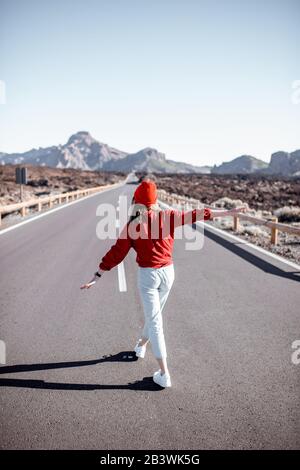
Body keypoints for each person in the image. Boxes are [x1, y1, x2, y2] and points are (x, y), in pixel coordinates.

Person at [81, 180, 246, 388]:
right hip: (168, 273)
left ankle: (163, 373)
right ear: (155, 199)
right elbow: (198, 213)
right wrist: (228, 212)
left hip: (148, 276)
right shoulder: (169, 217)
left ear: (137, 201)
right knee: (154, 317)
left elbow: (117, 253)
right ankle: (141, 345)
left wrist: (97, 274)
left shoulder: (133, 224)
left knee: (155, 321)